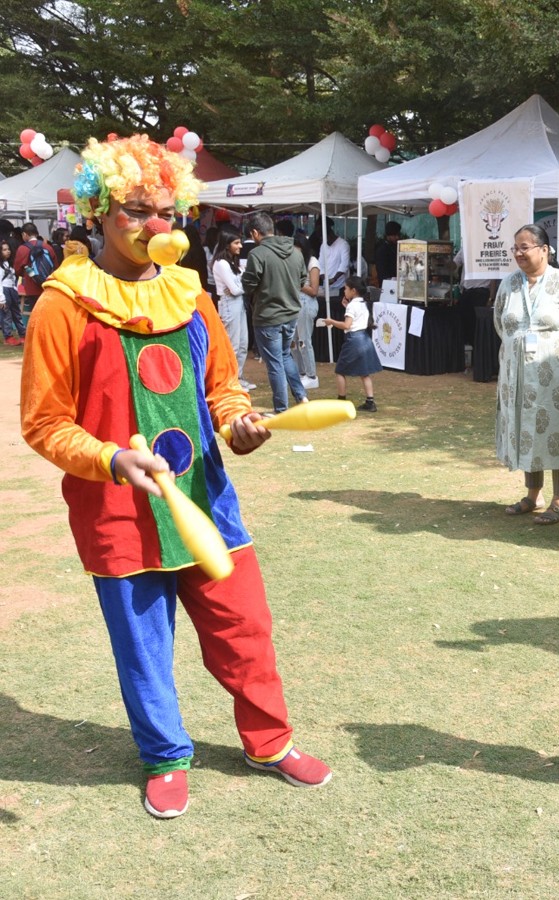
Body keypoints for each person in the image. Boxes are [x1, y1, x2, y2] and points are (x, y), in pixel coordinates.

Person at [20, 134, 330, 819]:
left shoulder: (190, 294)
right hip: (117, 514)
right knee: (143, 647)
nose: (155, 226)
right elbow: (44, 423)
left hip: (206, 497)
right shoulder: (62, 303)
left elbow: (223, 387)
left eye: (166, 212)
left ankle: (269, 742)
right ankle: (164, 755)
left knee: (245, 626)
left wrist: (240, 425)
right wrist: (110, 459)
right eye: (136, 209)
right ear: (99, 209)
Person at [493, 223, 559, 525]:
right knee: (526, 428)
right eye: (516, 248)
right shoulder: (508, 284)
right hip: (517, 376)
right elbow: (500, 323)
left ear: (544, 250)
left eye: (525, 247)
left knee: (556, 431)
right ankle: (532, 495)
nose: (519, 253)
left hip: (554, 378)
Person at [241, 212, 308, 414]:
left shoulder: (257, 254)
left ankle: (281, 408)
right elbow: (302, 279)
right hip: (291, 314)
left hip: (268, 316)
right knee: (285, 356)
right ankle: (301, 396)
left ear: (255, 233)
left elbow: (248, 284)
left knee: (275, 363)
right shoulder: (296, 252)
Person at [320, 274, 381, 411]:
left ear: (353, 291)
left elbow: (347, 325)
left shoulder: (352, 306)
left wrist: (331, 322)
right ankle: (370, 402)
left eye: (346, 288)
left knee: (340, 370)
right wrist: (347, 307)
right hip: (364, 338)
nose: (344, 291)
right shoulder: (363, 303)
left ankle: (341, 400)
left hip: (354, 340)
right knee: (364, 373)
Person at [211, 226, 254, 391]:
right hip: (229, 303)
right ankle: (229, 381)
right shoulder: (221, 263)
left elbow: (238, 287)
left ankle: (238, 377)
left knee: (243, 343)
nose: (240, 246)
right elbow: (235, 289)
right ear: (227, 244)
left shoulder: (231, 262)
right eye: (236, 243)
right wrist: (243, 286)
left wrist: (241, 285)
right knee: (233, 345)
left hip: (237, 303)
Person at [291, 233, 320, 390]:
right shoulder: (294, 261)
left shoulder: (313, 262)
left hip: (306, 303)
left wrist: (295, 283)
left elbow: (314, 290)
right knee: (294, 341)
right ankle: (301, 373)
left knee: (304, 340)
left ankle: (311, 375)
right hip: (294, 302)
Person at [13, 223, 60, 314]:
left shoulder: (22, 249)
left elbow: (17, 269)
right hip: (48, 285)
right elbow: (56, 266)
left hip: (32, 286)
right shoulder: (47, 247)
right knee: (48, 312)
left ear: (25, 234)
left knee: (36, 313)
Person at [0, 240, 25, 345]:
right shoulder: (1, 266)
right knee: (6, 315)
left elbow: (14, 279)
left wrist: (15, 289)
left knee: (17, 313)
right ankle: (8, 337)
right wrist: (1, 298)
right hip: (4, 291)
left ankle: (23, 334)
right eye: (4, 250)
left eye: (8, 249)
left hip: (12, 290)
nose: (8, 251)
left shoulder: (10, 264)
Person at [373, 221, 402, 285]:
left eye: (398, 235)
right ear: (388, 235)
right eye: (394, 235)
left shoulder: (394, 247)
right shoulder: (382, 250)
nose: (397, 237)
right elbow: (382, 272)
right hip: (388, 285)